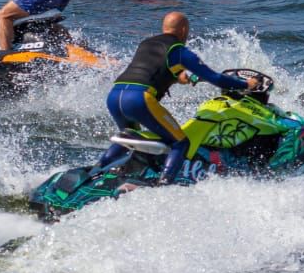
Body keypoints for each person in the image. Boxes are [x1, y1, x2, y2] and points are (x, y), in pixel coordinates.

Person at [95, 12, 259, 184]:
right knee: (180, 143)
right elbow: (216, 79)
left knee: (128, 139)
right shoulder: (179, 50)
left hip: (115, 95)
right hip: (139, 99)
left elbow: (152, 69)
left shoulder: (146, 43)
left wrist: (179, 77)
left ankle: (95, 172)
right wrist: (246, 84)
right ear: (183, 30)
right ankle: (164, 184)